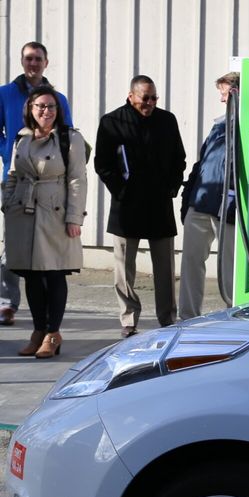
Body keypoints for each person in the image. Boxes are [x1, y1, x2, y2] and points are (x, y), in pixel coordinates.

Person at [94, 75, 185, 337]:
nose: (150, 103)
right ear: (131, 96)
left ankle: (168, 319)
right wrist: (121, 191)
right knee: (124, 268)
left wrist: (172, 186)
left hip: (159, 204)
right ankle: (128, 320)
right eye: (145, 98)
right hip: (127, 206)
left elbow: (179, 157)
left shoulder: (167, 120)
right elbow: (103, 164)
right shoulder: (112, 122)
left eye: (154, 97)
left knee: (165, 268)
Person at [1, 86, 87, 358]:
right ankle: (38, 331)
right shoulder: (22, 138)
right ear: (30, 108)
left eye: (51, 106)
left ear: (58, 110)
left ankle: (53, 333)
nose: (46, 111)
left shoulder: (69, 139)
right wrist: (7, 202)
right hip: (23, 213)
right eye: (40, 106)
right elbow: (13, 173)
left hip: (55, 211)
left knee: (54, 272)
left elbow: (77, 180)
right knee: (32, 275)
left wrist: (74, 217)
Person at [0, 41, 72, 327]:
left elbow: (66, 136)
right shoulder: (5, 94)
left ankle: (46, 316)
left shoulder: (58, 98)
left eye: (38, 59)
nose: (33, 63)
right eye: (28, 58)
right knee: (13, 243)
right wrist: (10, 150)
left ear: (46, 62)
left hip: (50, 183)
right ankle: (7, 302)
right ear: (22, 61)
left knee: (47, 246)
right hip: (16, 177)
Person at [179, 72, 239, 319]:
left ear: (236, 93)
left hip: (229, 208)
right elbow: (201, 163)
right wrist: (187, 200)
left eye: (225, 94)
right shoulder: (218, 126)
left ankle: (234, 316)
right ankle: (187, 317)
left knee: (229, 269)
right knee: (191, 263)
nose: (222, 100)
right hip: (201, 203)